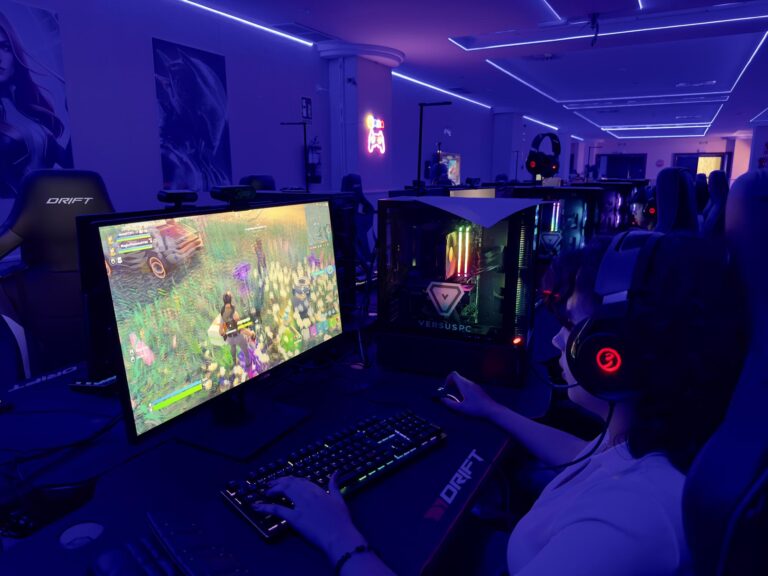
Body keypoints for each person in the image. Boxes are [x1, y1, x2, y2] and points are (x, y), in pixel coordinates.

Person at [253, 232, 744, 576]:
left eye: (575, 328)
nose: (557, 341)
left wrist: (339, 538)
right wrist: (492, 409)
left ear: (614, 355)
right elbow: (587, 457)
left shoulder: (630, 525)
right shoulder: (646, 444)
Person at [0, 11, 71, 200]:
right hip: (12, 213)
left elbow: (69, 164)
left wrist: (76, 113)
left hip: (50, 206)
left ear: (15, 53)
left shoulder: (30, 115)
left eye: (5, 47)